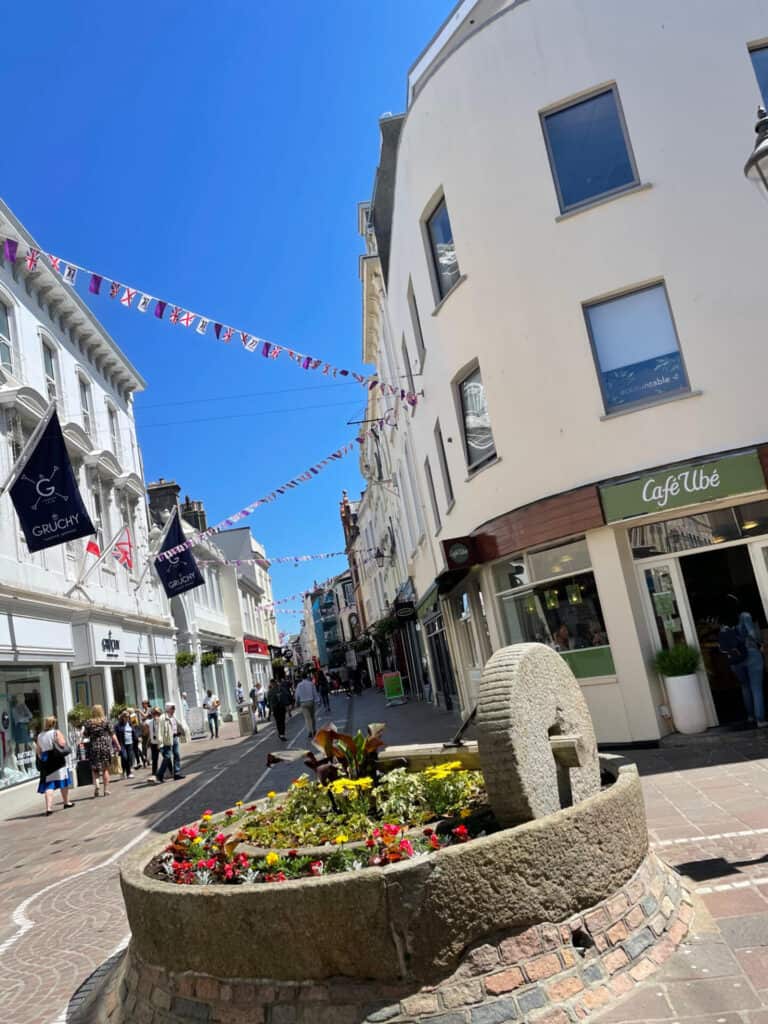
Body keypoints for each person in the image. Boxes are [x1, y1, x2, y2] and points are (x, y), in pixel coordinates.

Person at [36, 715, 74, 816]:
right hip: (57, 758)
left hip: (46, 760)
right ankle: (66, 802)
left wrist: (42, 758)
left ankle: (48, 808)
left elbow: (38, 751)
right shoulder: (56, 732)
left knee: (49, 785)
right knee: (63, 781)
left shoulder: (40, 736)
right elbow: (62, 744)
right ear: (54, 723)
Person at [83, 704, 118, 798]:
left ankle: (97, 784)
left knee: (95, 768)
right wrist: (117, 745)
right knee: (105, 768)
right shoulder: (106, 721)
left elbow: (85, 735)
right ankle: (106, 790)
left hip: (94, 746)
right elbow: (112, 734)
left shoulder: (89, 722)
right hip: (105, 746)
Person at [150, 702, 187, 783]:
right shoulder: (162, 718)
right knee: (167, 757)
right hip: (167, 740)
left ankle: (177, 773)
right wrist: (160, 743)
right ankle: (159, 775)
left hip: (175, 738)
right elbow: (159, 731)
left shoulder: (173, 717)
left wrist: (182, 733)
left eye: (174, 708)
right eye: (172, 708)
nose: (174, 710)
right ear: (168, 709)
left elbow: (177, 725)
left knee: (176, 754)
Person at [294, 673, 320, 742]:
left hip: (303, 703)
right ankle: (314, 730)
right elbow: (314, 692)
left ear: (301, 678)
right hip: (311, 701)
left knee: (307, 718)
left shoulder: (299, 685)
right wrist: (317, 700)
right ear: (307, 677)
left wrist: (296, 702)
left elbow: (297, 694)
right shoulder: (311, 684)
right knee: (312, 717)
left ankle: (310, 731)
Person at [114, 710, 137, 779]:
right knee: (124, 757)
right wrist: (115, 745)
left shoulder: (130, 724)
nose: (127, 718)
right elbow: (114, 735)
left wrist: (136, 738)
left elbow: (134, 732)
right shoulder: (118, 725)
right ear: (122, 717)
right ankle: (123, 772)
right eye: (125, 717)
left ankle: (128, 773)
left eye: (128, 717)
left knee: (129, 758)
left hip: (130, 743)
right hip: (122, 744)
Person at [147, 706, 162, 778]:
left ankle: (170, 770)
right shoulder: (150, 723)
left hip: (161, 742)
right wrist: (148, 742)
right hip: (153, 743)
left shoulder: (162, 721)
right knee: (154, 759)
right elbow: (150, 733)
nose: (155, 715)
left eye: (156, 713)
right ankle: (154, 774)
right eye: (153, 713)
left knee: (166, 757)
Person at [138, 699, 153, 767]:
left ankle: (150, 759)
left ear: (147, 704)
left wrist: (139, 711)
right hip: (144, 730)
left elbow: (145, 716)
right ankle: (146, 759)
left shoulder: (150, 709)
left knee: (149, 744)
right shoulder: (143, 710)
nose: (142, 705)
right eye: (142, 704)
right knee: (144, 745)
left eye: (143, 703)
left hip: (149, 730)